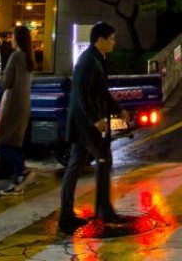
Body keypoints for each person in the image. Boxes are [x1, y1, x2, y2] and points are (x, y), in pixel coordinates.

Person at [58, 22, 130, 233]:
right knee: (103, 160)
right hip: (85, 126)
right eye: (112, 38)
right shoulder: (88, 61)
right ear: (101, 39)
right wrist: (94, 119)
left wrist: (119, 110)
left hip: (86, 125)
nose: (114, 42)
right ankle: (102, 211)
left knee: (78, 166)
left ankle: (71, 214)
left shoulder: (97, 59)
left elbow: (102, 93)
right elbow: (81, 94)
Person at [0, 26, 35, 196]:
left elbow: (5, 83)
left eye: (12, 36)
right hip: (24, 104)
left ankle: (22, 170)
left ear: (17, 38)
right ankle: (17, 182)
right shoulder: (29, 58)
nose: (11, 39)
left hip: (12, 104)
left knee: (0, 141)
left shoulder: (16, 56)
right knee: (15, 142)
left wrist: (2, 76)